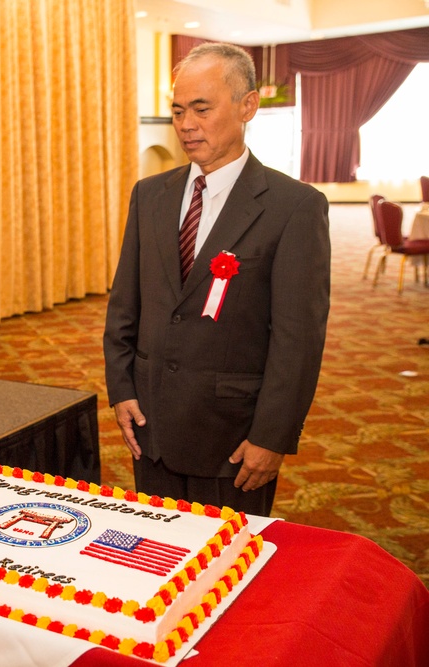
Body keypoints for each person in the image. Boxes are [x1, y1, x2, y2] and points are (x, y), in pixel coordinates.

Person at [102, 43, 330, 516]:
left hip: (232, 441)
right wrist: (122, 389)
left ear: (247, 106)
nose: (186, 124)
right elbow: (126, 305)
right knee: (157, 559)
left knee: (227, 575)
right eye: (178, 110)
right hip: (152, 428)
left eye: (202, 109)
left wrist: (272, 436)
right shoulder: (150, 196)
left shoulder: (294, 207)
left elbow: (297, 339)